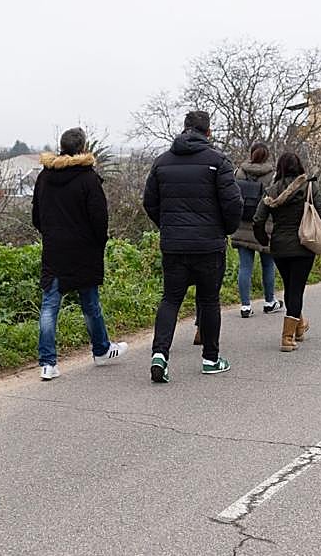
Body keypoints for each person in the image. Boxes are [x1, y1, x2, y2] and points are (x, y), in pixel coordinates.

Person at [143, 111, 243, 383]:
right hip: (209, 245)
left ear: (184, 129)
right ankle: (210, 359)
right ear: (208, 132)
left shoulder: (162, 162)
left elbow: (149, 202)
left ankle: (159, 355)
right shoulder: (218, 161)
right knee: (209, 300)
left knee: (170, 299)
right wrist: (225, 229)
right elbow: (233, 203)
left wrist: (167, 226)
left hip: (174, 245)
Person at [32, 127, 127, 381]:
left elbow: (36, 217)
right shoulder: (88, 178)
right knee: (90, 303)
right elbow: (99, 219)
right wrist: (98, 242)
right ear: (83, 148)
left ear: (61, 147)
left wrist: (52, 234)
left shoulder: (44, 177)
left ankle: (47, 364)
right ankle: (101, 350)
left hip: (54, 250)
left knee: (50, 305)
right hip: (84, 251)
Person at [253, 151, 321, 352]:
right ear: (299, 166)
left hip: (279, 246)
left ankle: (299, 327)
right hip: (304, 245)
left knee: (289, 287)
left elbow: (258, 219)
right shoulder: (309, 186)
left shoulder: (272, 190)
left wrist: (264, 239)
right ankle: (287, 337)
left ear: (280, 168)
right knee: (297, 289)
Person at [229, 141, 282, 318]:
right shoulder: (273, 175)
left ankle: (245, 306)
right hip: (264, 227)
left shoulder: (239, 172)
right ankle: (269, 302)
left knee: (245, 267)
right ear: (267, 156)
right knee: (268, 265)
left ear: (251, 154)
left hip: (242, 225)